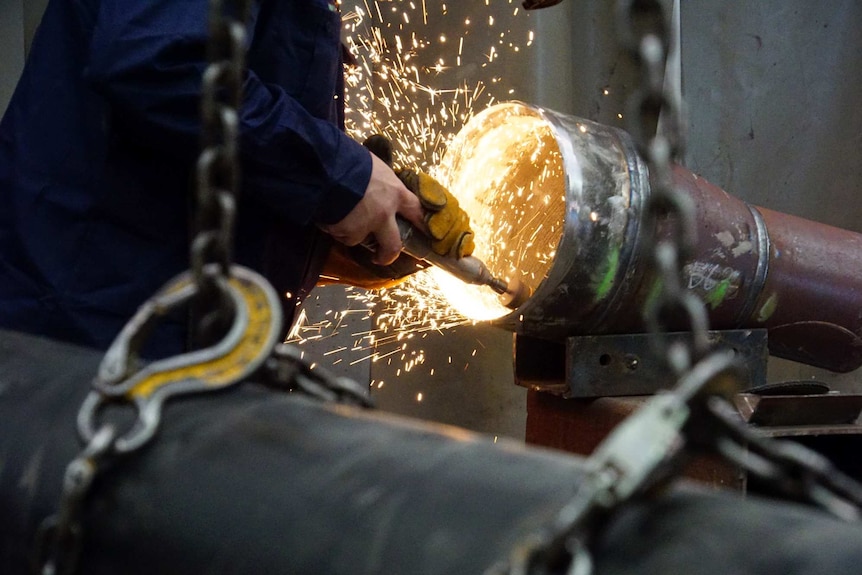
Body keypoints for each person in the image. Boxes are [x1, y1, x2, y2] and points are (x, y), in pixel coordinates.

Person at [0, 0, 472, 356]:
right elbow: (157, 66)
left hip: (154, 326)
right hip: (91, 334)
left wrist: (341, 223)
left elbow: (213, 130)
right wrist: (337, 176)